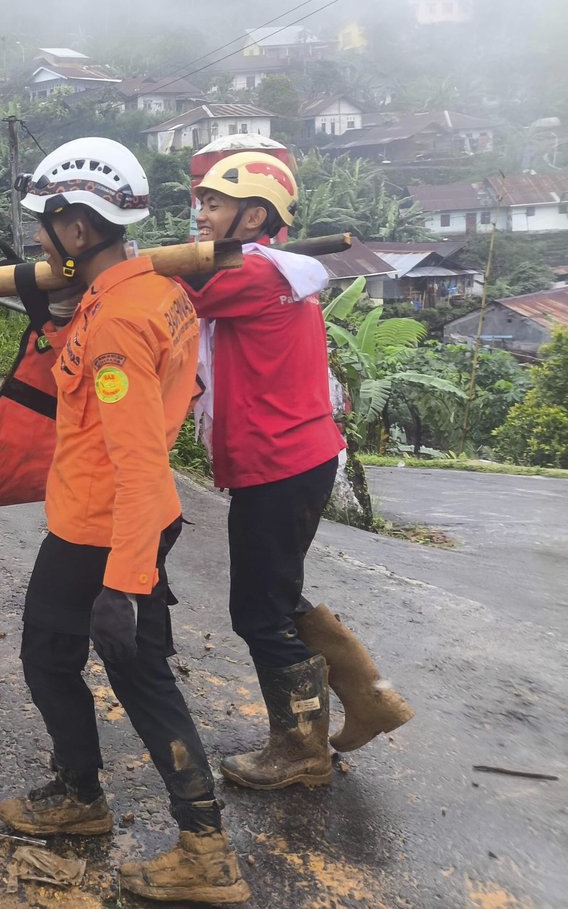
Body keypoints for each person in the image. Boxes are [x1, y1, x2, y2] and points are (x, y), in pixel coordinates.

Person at [0, 138, 250, 904]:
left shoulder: (117, 323)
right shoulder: (151, 290)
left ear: (79, 231)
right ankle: (102, 799)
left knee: (85, 661)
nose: (41, 237)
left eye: (48, 222)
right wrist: (54, 322)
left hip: (105, 528)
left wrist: (125, 583)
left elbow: (140, 461)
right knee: (96, 662)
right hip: (117, 520)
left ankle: (172, 835)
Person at [183, 151, 414, 791]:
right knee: (277, 596)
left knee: (258, 611)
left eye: (215, 204)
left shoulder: (253, 274)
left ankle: (301, 748)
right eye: (201, 203)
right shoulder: (275, 269)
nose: (201, 215)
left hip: (279, 465)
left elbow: (166, 292)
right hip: (294, 459)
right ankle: (370, 698)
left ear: (254, 216)